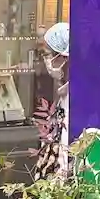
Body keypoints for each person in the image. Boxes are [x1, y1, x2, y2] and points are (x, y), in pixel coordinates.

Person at [33, 20, 69, 179]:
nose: (46, 61)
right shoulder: (64, 94)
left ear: (63, 57)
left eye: (47, 54)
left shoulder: (76, 98)